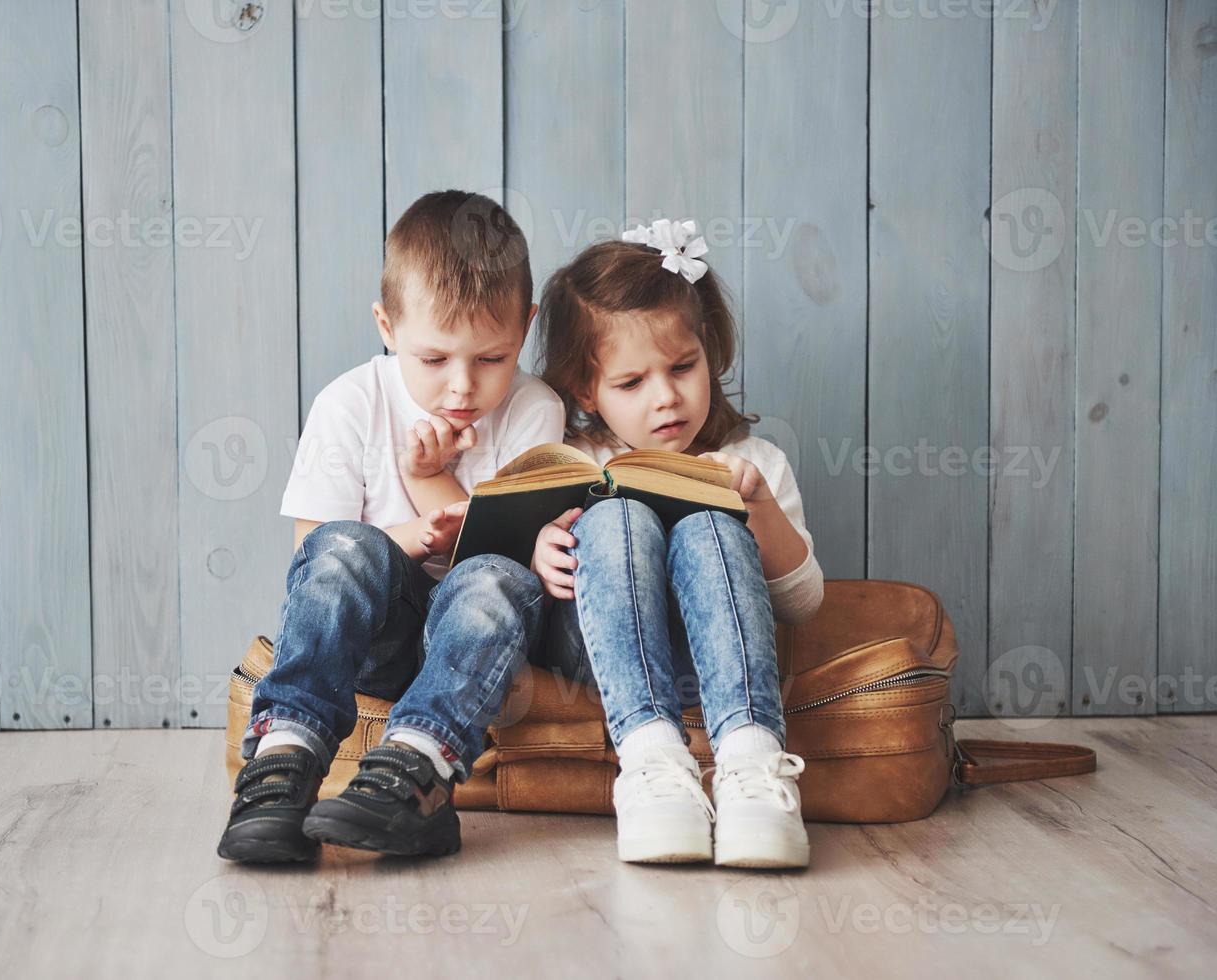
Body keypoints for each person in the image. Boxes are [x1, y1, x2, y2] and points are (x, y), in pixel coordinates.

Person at [218, 190, 565, 863]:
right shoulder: (350, 403)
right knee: (346, 545)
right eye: (434, 360)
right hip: (378, 639)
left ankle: (416, 775)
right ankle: (285, 756)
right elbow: (312, 555)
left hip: (479, 644)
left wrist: (437, 486)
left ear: (523, 329)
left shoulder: (533, 411)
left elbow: (513, 567)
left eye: (490, 359)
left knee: (493, 576)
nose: (462, 387)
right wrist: (410, 539)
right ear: (386, 326)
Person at [529, 220, 824, 868]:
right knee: (614, 512)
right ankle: (651, 763)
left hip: (719, 657)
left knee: (710, 520)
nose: (665, 398)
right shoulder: (571, 461)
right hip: (598, 665)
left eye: (682, 367)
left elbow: (803, 603)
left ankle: (751, 764)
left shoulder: (752, 460)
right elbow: (526, 580)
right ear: (586, 391)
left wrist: (758, 508)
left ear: (709, 353)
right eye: (631, 384)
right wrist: (540, 550)